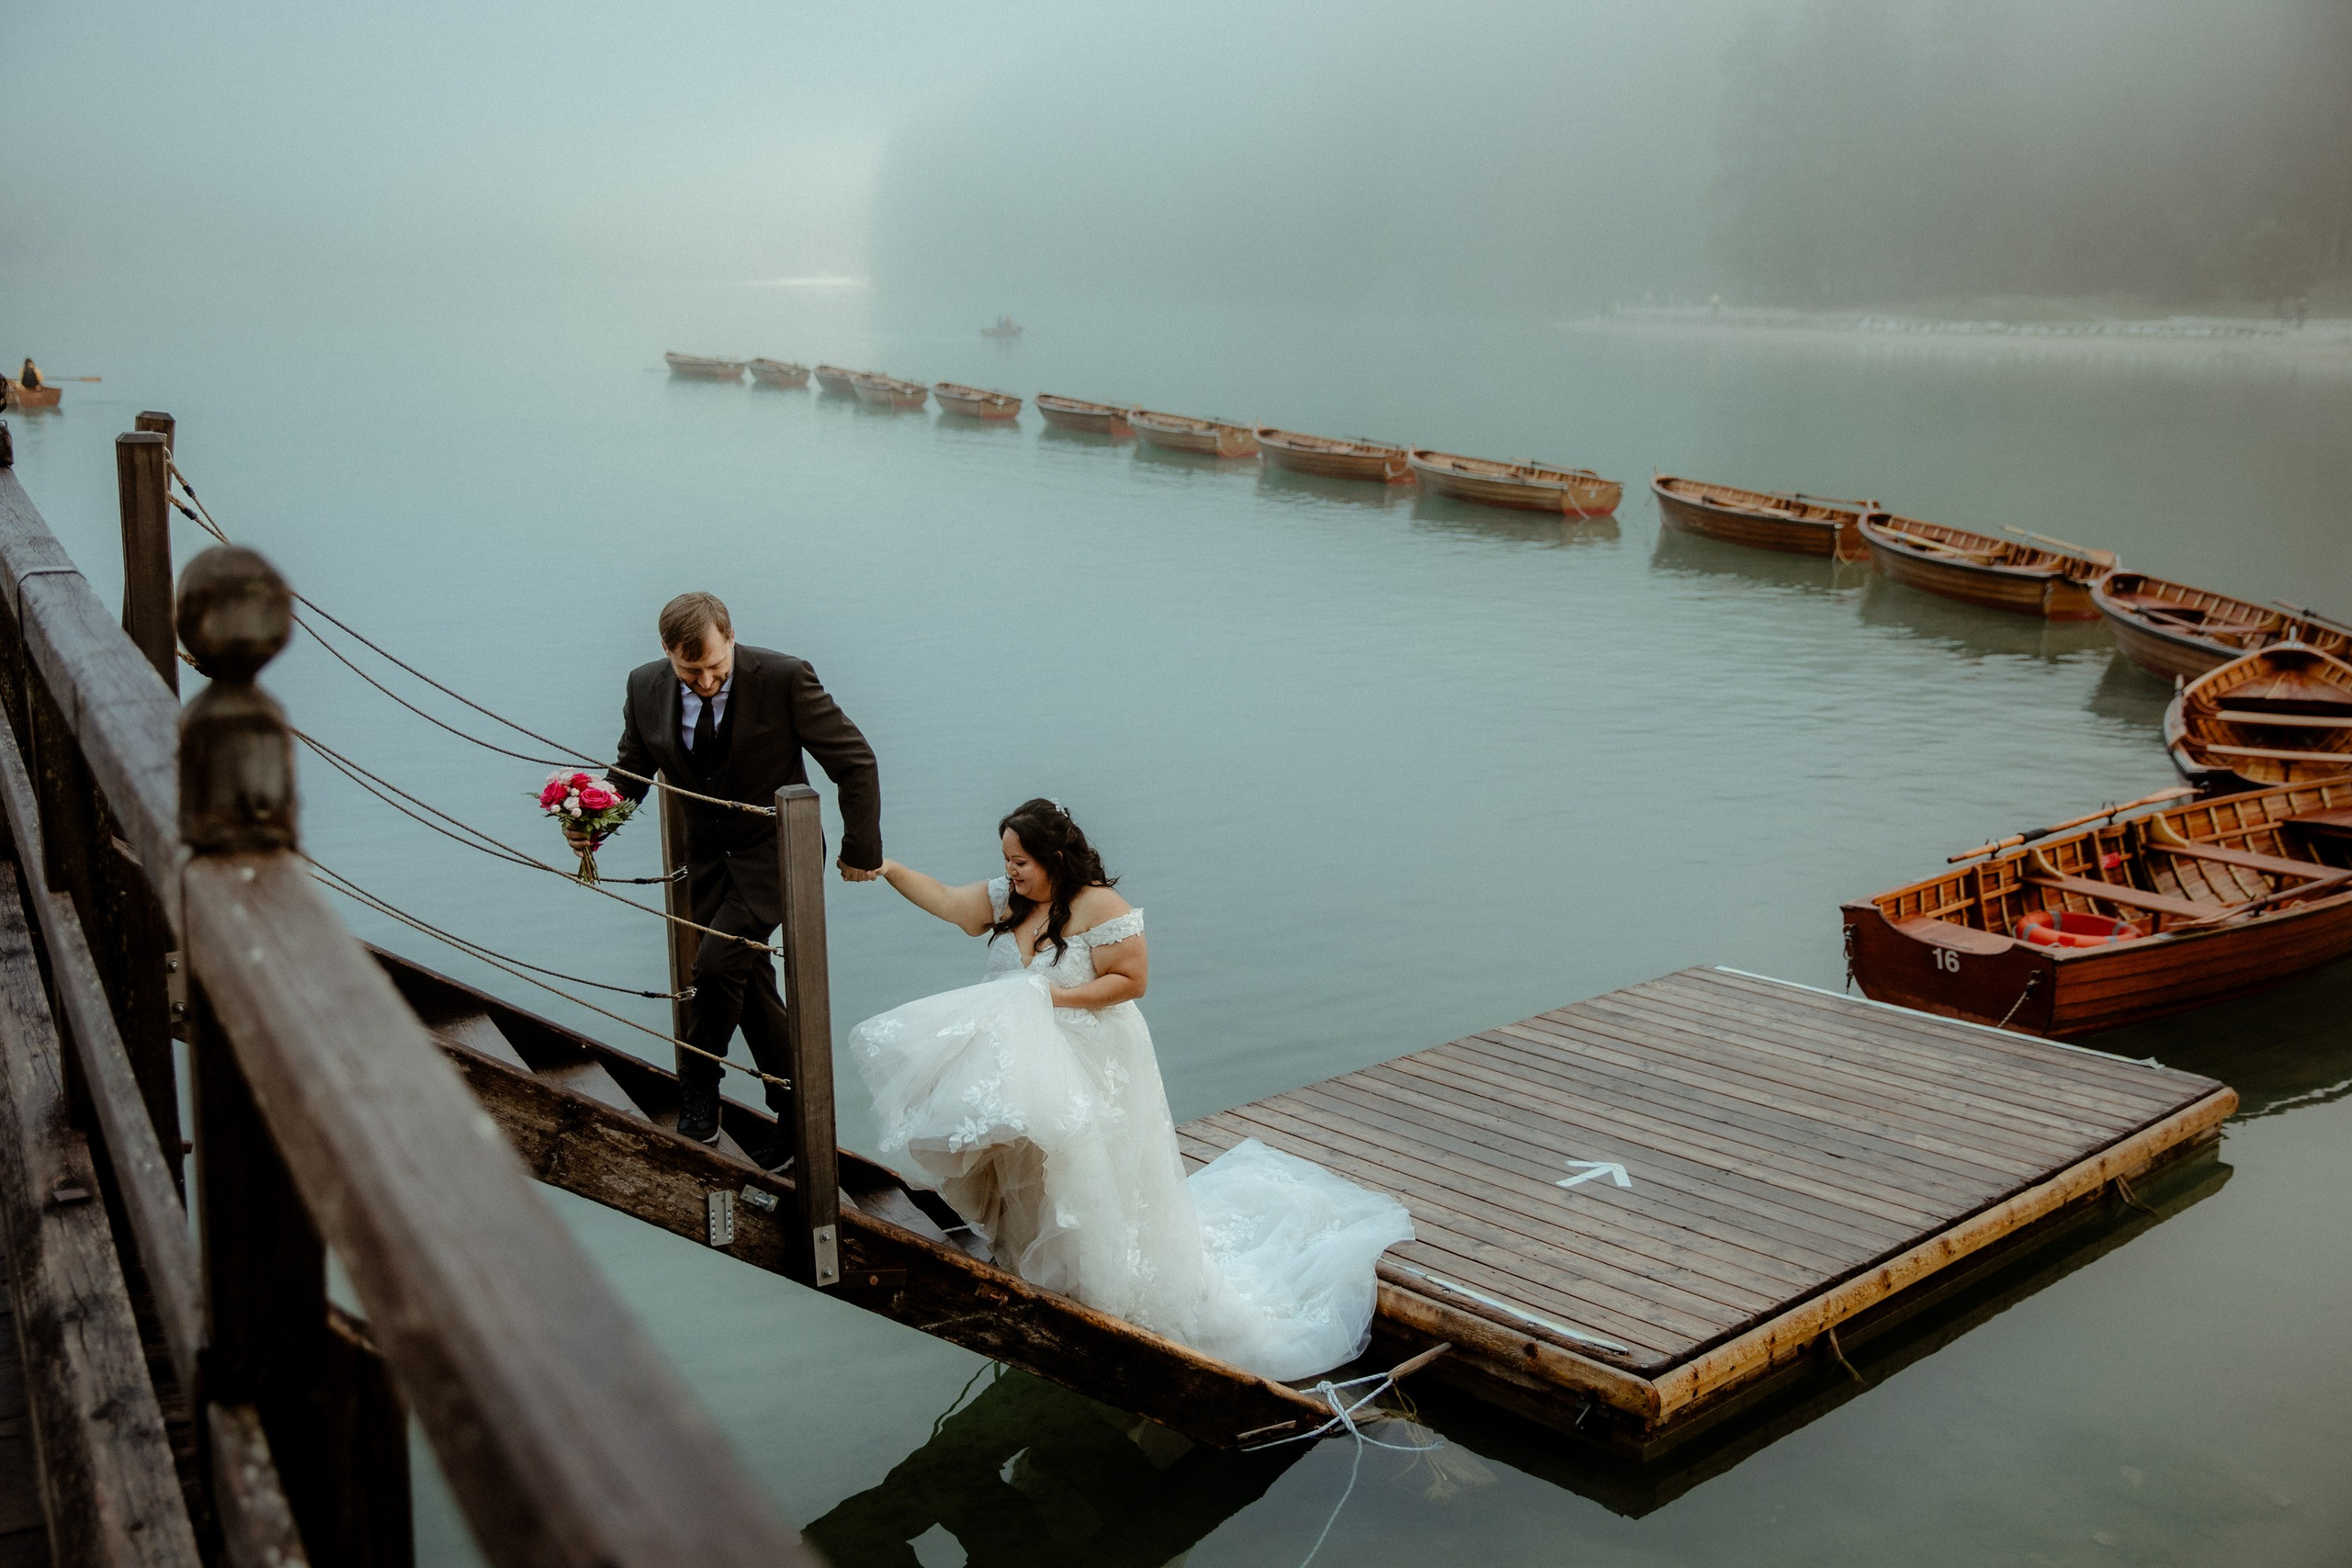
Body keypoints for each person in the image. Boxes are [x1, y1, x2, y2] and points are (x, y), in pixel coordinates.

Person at [849, 798, 1414, 1382]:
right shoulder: (1009, 899)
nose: (1011, 871)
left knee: (1086, 1167)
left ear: (1055, 856)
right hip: (1023, 1066)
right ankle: (1045, 1272)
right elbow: (947, 901)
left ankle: (1103, 1288)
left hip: (1091, 1060)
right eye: (1006, 861)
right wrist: (887, 868)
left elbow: (1131, 981)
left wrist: (1043, 999)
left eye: (1020, 861)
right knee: (1030, 1163)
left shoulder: (1101, 906)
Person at [582, 591, 881, 1157]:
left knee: (717, 965)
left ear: (732, 638)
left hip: (774, 856)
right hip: (707, 860)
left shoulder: (785, 677)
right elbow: (631, 772)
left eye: (716, 667)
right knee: (745, 982)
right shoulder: (644, 686)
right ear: (666, 652)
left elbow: (854, 761)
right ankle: (795, 1113)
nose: (706, 681)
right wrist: (591, 822)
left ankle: (699, 1084)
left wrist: (859, 849)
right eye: (690, 670)